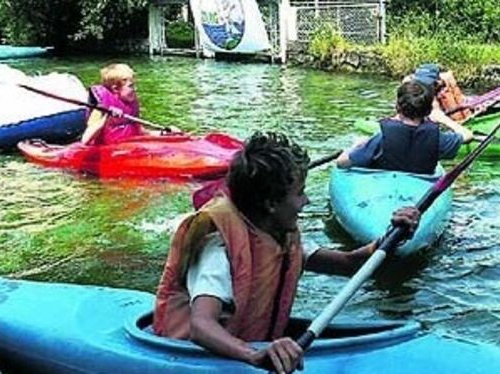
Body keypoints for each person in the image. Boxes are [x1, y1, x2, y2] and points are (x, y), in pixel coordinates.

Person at [154, 132, 420, 374]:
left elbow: (349, 264)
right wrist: (254, 354)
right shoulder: (218, 245)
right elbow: (202, 325)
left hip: (249, 346)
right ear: (270, 203)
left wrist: (392, 238)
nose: (307, 201)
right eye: (300, 193)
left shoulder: (279, 233)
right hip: (190, 360)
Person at [336, 80, 472, 174]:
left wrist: (356, 146)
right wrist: (442, 118)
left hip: (385, 186)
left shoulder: (382, 138)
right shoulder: (438, 139)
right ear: (428, 111)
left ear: (398, 107)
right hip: (419, 186)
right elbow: (468, 135)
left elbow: (341, 163)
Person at [80, 63, 177, 145]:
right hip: (108, 152)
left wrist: (164, 133)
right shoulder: (101, 109)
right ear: (115, 89)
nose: (135, 89)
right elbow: (86, 140)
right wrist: (107, 116)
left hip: (128, 148)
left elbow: (141, 132)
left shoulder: (130, 106)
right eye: (131, 86)